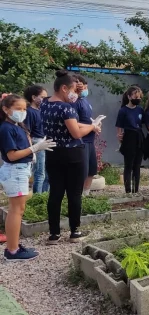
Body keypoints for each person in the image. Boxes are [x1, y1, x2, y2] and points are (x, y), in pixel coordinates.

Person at [40, 70, 101, 245]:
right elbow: (75, 132)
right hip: (73, 153)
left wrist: (89, 125)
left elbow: (71, 124)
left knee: (55, 193)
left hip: (53, 152)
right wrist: (93, 126)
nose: (76, 94)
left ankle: (54, 234)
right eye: (74, 90)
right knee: (74, 194)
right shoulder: (66, 107)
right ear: (64, 88)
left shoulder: (45, 104)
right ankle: (75, 231)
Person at [0, 95, 56, 260]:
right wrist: (35, 148)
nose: (22, 112)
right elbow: (12, 155)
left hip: (20, 170)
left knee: (19, 209)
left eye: (24, 109)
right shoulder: (6, 128)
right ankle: (12, 251)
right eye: (18, 109)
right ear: (5, 109)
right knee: (16, 211)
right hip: (15, 171)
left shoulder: (17, 126)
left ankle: (14, 246)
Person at [73, 75, 99, 196]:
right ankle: (77, 195)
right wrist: (91, 127)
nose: (85, 89)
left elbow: (87, 119)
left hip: (90, 139)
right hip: (81, 140)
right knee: (81, 171)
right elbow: (72, 123)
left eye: (86, 86)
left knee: (92, 170)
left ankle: (86, 194)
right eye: (83, 86)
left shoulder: (86, 101)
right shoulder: (74, 103)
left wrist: (95, 124)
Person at [116, 86, 144, 194]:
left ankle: (136, 190)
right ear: (129, 96)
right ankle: (128, 190)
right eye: (135, 96)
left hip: (139, 137)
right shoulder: (123, 110)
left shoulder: (140, 109)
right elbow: (118, 125)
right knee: (128, 165)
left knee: (137, 165)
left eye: (139, 97)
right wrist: (119, 136)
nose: (138, 99)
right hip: (128, 137)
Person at [23, 85, 50, 193]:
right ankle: (37, 197)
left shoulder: (42, 110)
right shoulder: (30, 112)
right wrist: (32, 148)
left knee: (47, 172)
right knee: (40, 172)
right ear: (34, 97)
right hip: (37, 141)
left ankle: (44, 195)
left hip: (45, 140)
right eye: (42, 97)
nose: (45, 100)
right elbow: (27, 132)